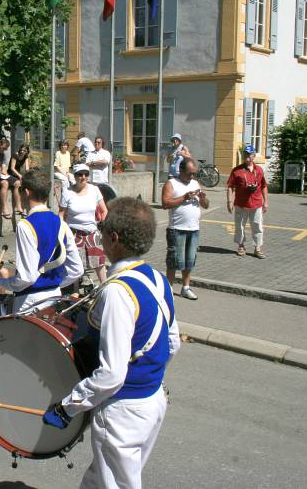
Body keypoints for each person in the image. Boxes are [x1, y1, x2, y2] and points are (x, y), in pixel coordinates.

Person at [43, 196, 181, 489]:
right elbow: (172, 343)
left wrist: (67, 406)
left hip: (123, 413)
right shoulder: (157, 279)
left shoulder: (118, 292)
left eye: (102, 228)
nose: (99, 233)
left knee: (114, 484)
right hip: (152, 402)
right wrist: (147, 376)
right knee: (98, 482)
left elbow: (111, 375)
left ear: (114, 239)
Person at [0, 170, 83, 314]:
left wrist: (1, 282)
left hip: (29, 301)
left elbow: (27, 277)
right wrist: (53, 284)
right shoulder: (61, 223)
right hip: (55, 297)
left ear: (26, 192)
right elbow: (77, 269)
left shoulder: (25, 225)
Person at [162, 157, 209, 300]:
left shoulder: (195, 183)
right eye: (189, 173)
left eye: (194, 173)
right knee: (174, 260)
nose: (192, 176)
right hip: (177, 228)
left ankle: (186, 287)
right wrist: (184, 197)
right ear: (181, 170)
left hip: (194, 228)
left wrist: (203, 198)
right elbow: (165, 203)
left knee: (190, 260)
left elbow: (206, 205)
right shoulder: (171, 183)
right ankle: (169, 288)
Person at [59, 164, 108, 284]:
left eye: (86, 174)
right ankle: (74, 292)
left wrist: (102, 223)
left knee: (99, 263)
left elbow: (104, 210)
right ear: (75, 176)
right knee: (76, 266)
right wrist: (61, 233)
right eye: (80, 174)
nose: (83, 177)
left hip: (92, 232)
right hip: (74, 234)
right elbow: (61, 215)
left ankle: (105, 286)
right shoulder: (67, 192)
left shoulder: (94, 189)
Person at [227, 145, 268, 258]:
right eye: (245, 154)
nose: (247, 157)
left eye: (249, 155)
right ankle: (241, 245)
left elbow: (264, 186)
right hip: (241, 204)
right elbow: (230, 186)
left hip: (256, 204)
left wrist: (266, 202)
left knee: (257, 226)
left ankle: (257, 248)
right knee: (240, 226)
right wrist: (229, 201)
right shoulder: (237, 171)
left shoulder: (259, 170)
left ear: (254, 156)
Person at [8, 144, 30, 216]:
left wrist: (28, 175)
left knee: (26, 188)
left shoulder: (26, 156)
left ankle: (24, 209)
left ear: (27, 151)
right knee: (18, 184)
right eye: (21, 150)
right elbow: (12, 168)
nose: (22, 151)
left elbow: (27, 168)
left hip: (19, 174)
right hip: (11, 174)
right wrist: (19, 175)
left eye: (24, 150)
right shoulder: (15, 155)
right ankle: (17, 206)